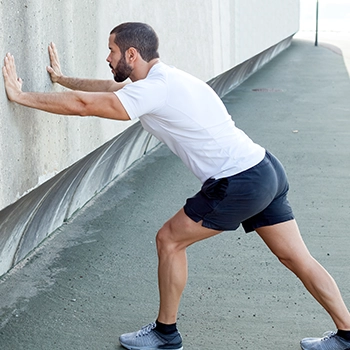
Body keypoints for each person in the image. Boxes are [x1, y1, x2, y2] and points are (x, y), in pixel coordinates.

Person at [2, 22, 350, 350]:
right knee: (297, 257)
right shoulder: (163, 80)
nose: (107, 57)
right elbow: (108, 89)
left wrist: (21, 96)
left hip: (238, 181)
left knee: (169, 240)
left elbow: (86, 107)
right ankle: (348, 333)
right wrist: (63, 80)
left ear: (132, 55)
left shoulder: (155, 88)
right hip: (265, 168)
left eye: (111, 50)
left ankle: (166, 333)